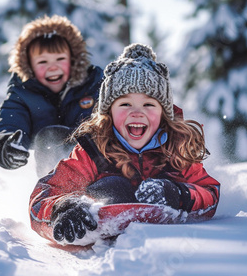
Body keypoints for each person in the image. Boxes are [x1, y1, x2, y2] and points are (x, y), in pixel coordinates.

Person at [29, 43, 221, 244]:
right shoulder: (94, 149)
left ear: (164, 113)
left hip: (150, 197)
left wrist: (178, 194)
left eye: (148, 104)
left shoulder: (176, 148)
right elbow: (42, 199)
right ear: (109, 112)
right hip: (99, 186)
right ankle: (52, 144)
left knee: (118, 187)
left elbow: (208, 193)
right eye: (125, 104)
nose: (137, 112)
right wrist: (62, 208)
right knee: (112, 187)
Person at [0, 15, 103, 176]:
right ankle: (51, 189)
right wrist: (5, 145)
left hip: (95, 162)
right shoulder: (23, 93)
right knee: (50, 136)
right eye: (43, 62)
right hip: (49, 166)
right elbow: (10, 122)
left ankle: (110, 188)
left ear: (73, 60)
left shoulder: (93, 86)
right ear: (29, 66)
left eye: (60, 59)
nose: (52, 67)